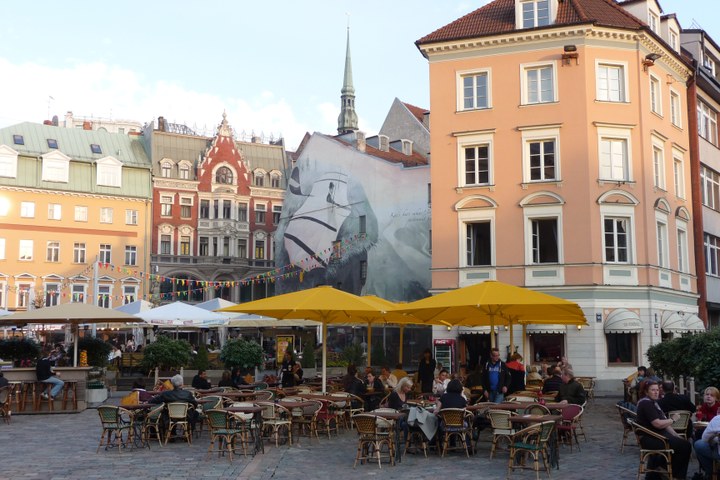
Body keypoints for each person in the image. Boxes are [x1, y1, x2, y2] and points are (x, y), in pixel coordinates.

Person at [635, 380, 691, 480]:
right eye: (653, 390)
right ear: (646, 392)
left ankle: (662, 468)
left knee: (682, 443)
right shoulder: (646, 403)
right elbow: (658, 424)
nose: (656, 392)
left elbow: (665, 423)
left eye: (657, 390)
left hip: (657, 436)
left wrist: (676, 435)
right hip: (650, 438)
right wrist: (673, 419)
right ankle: (675, 475)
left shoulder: (653, 403)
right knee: (685, 446)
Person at [694, 411, 720, 478]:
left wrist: (715, 439)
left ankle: (711, 472)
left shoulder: (717, 419)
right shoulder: (704, 407)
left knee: (699, 444)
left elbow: (705, 438)